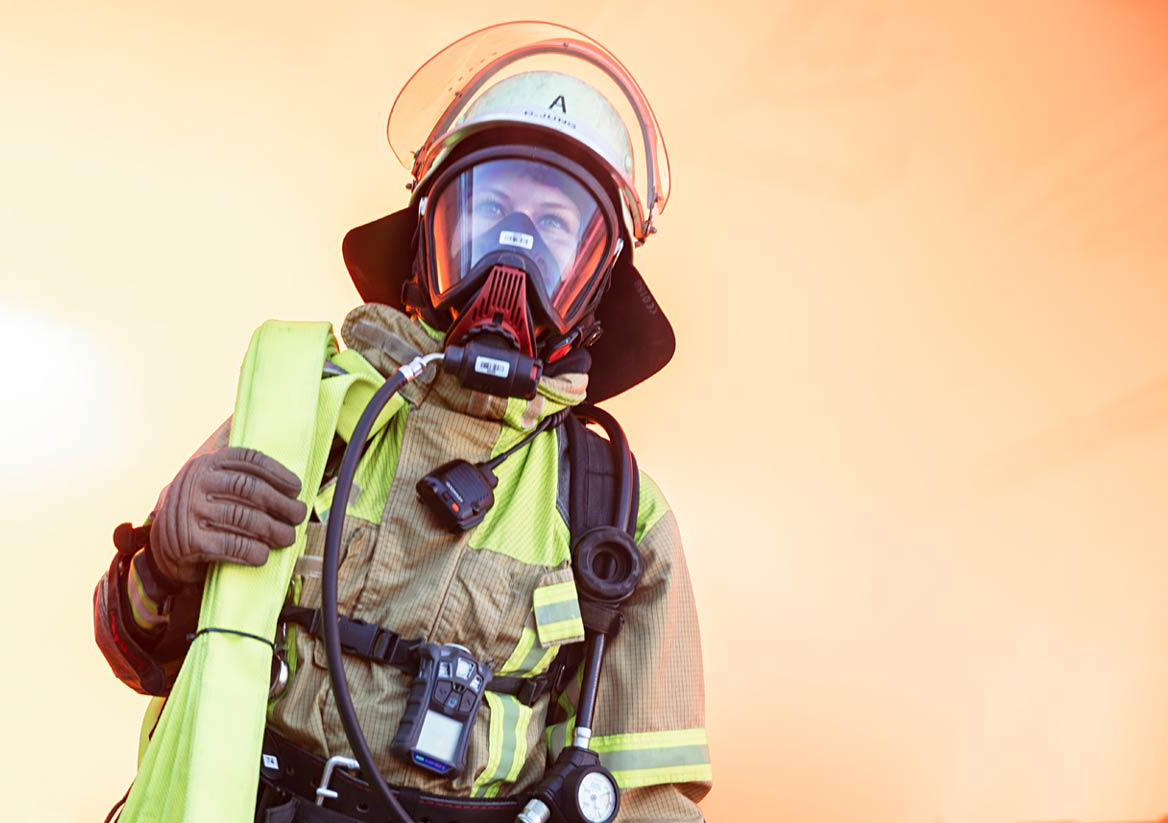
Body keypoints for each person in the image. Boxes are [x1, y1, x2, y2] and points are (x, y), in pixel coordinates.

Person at [93, 22, 709, 823]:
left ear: (598, 287)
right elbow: (134, 649)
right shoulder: (302, 407)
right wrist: (164, 560)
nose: (512, 258)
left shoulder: (618, 516)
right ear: (430, 234)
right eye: (489, 212)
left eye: (555, 229)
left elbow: (649, 806)